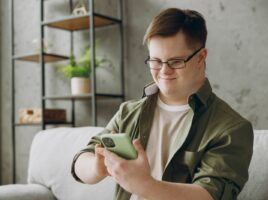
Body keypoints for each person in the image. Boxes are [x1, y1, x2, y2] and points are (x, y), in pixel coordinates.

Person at [71, 8, 253, 200]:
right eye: (156, 61)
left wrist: (145, 185)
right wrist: (97, 167)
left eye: (175, 62)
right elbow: (81, 159)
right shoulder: (129, 112)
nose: (164, 71)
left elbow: (210, 195)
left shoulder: (231, 129)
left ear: (201, 57)